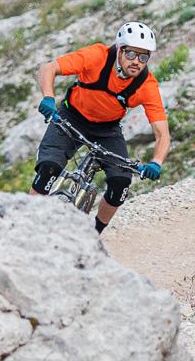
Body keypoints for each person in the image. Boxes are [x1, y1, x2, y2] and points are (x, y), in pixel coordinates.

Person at [32, 21, 170, 233]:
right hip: (71, 116)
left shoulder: (146, 85)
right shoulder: (97, 56)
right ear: (120, 50)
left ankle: (95, 233)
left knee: (121, 183)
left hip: (107, 130)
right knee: (49, 167)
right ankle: (25, 220)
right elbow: (48, 68)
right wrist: (48, 98)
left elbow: (162, 134)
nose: (137, 62)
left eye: (144, 57)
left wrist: (156, 162)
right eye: (132, 54)